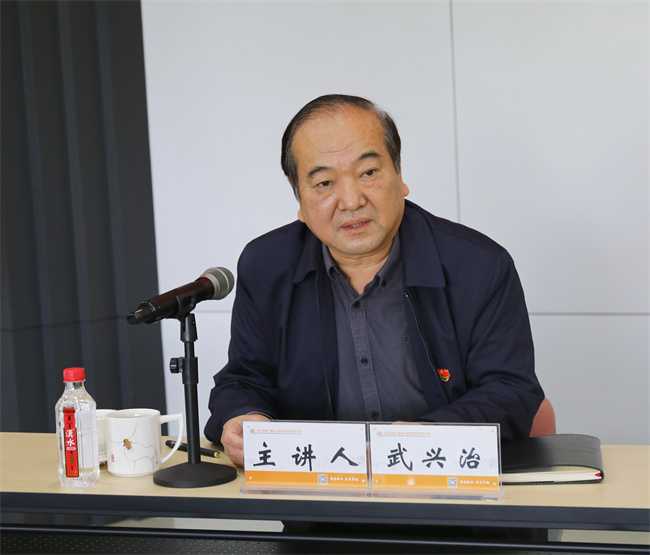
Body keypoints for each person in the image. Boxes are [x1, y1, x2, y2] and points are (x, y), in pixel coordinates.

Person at [205, 94, 544, 467]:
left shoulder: (478, 266)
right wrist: (244, 417)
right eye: (324, 182)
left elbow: (509, 391)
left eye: (368, 173)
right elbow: (244, 379)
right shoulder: (267, 266)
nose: (351, 201)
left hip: (448, 487)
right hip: (317, 492)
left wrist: (418, 439)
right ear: (297, 193)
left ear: (399, 174)